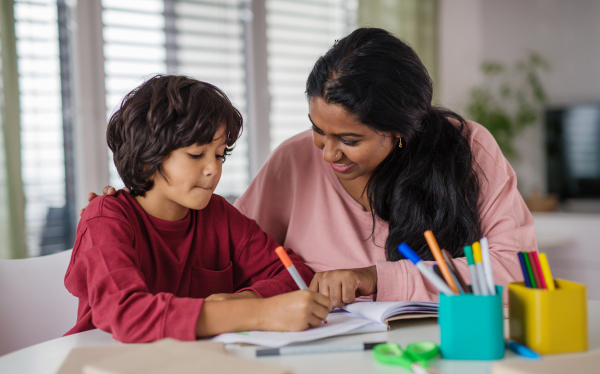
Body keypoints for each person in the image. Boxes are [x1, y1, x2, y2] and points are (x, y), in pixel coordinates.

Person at [87, 28, 536, 308]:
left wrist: (372, 278)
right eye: (318, 129)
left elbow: (516, 271)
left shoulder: (469, 148)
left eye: (350, 140)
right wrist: (136, 209)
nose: (326, 154)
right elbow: (220, 246)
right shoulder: (294, 158)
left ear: (400, 131)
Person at [65, 75, 331, 343]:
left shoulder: (218, 214)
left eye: (219, 155)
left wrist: (243, 300)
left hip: (192, 363)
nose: (213, 169)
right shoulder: (106, 218)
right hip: (106, 364)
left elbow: (295, 272)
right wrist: (255, 312)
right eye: (196, 155)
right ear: (147, 157)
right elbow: (127, 313)